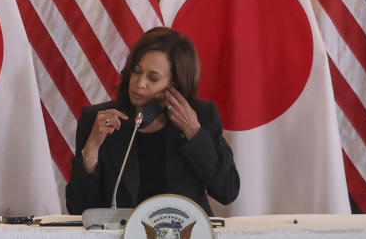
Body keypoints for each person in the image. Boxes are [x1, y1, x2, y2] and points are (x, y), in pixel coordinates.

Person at [65, 27, 239, 215]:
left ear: (174, 83)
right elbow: (77, 208)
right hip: (119, 238)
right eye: (136, 71)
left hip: (185, 237)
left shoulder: (202, 116)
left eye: (153, 78)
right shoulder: (97, 119)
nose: (140, 83)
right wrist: (92, 147)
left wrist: (194, 132)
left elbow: (227, 191)